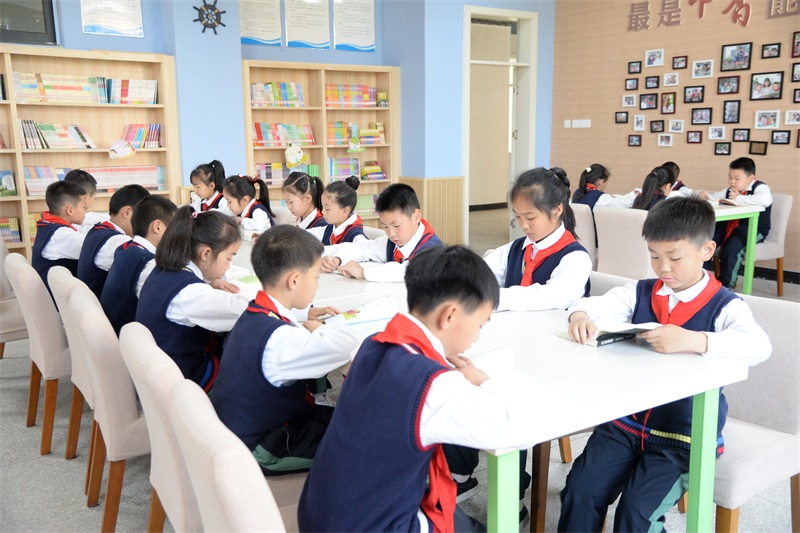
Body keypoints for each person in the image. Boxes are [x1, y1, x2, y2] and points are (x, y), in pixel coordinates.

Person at [558, 196, 770, 532]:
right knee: (579, 491)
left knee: (636, 513)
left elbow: (759, 346)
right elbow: (591, 305)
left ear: (706, 250)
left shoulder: (726, 306)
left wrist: (695, 340)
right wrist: (580, 314)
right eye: (654, 256)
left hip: (683, 437)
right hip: (625, 423)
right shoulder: (640, 292)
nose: (663, 268)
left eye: (674, 257)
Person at [299, 245, 541, 533]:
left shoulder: (371, 344)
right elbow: (519, 429)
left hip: (322, 511)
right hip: (370, 524)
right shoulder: (434, 385)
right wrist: (484, 381)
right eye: (479, 324)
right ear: (450, 316)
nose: (477, 337)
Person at [211, 226, 362, 476]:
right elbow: (347, 343)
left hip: (243, 427)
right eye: (316, 278)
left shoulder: (255, 312)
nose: (316, 286)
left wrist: (305, 320)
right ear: (294, 280)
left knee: (347, 419)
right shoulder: (281, 340)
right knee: (368, 440)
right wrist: (318, 329)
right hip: (263, 446)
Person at [136, 207, 249, 391]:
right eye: (229, 258)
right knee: (252, 360)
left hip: (161, 374)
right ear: (206, 253)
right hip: (185, 384)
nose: (229, 266)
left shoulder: (164, 270)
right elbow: (243, 310)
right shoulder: (190, 294)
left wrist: (208, 281)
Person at [484, 167, 592, 311]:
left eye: (530, 218)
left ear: (557, 210)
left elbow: (553, 297)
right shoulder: (515, 249)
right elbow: (480, 274)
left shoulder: (576, 257)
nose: (524, 225)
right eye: (518, 217)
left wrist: (493, 297)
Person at [321, 183, 443, 282]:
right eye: (385, 226)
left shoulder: (433, 249)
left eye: (396, 225)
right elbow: (362, 248)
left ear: (416, 216)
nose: (391, 233)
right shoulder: (390, 243)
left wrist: (363, 272)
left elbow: (409, 271)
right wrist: (337, 259)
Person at [100, 196, 178, 334]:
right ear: (157, 226)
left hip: (119, 332)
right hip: (130, 339)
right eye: (174, 229)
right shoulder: (149, 265)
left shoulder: (126, 249)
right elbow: (177, 299)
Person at [698, 157, 772, 289]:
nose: (732, 182)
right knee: (706, 242)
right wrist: (706, 196)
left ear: (751, 178)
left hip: (753, 228)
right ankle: (700, 279)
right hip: (727, 227)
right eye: (730, 177)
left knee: (732, 248)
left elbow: (766, 200)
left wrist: (739, 198)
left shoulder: (760, 187)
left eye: (737, 178)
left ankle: (726, 285)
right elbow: (714, 198)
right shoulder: (729, 190)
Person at [77, 184, 150, 298]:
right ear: (127, 212)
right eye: (144, 217)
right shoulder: (118, 241)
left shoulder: (98, 229)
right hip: (103, 305)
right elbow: (147, 269)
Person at [31, 181, 87, 295]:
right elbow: (92, 248)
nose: (86, 212)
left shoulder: (47, 225)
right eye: (84, 207)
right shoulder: (62, 235)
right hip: (58, 299)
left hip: (52, 293)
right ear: (70, 210)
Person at [307, 176, 367, 245]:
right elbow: (309, 234)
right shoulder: (330, 228)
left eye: (327, 209)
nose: (323, 212)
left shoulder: (357, 238)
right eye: (323, 207)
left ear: (345, 211)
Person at [571, 164, 636, 210]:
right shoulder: (601, 199)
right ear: (601, 182)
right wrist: (634, 195)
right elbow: (624, 206)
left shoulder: (577, 193)